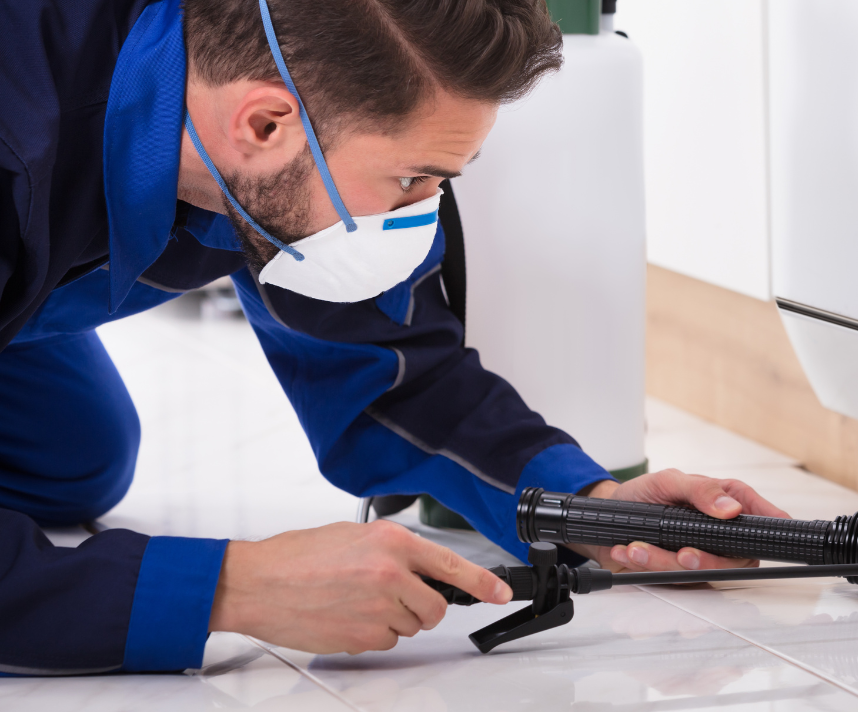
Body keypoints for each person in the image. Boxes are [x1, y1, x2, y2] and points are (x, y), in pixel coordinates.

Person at [0, 0, 783, 675]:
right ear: (265, 123)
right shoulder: (20, 139)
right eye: (411, 179)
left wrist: (586, 508)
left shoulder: (250, 106)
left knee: (76, 455)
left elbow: (392, 373)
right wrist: (234, 585)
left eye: (445, 178)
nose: (422, 211)